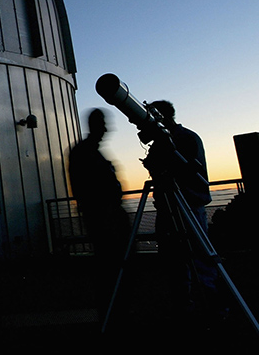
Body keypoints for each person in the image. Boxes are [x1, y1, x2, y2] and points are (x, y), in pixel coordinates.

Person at [145, 100, 221, 320]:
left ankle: (213, 308)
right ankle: (186, 308)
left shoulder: (184, 138)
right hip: (171, 206)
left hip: (187, 207)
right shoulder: (174, 139)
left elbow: (183, 170)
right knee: (174, 263)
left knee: (200, 261)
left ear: (162, 116)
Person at [68, 108, 131, 314]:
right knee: (110, 266)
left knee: (109, 266)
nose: (106, 129)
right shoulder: (86, 153)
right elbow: (91, 188)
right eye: (103, 124)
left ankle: (113, 307)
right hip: (104, 218)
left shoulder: (84, 151)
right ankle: (113, 309)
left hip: (104, 216)